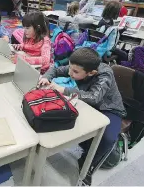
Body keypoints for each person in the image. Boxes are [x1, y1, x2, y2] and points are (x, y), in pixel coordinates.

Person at [38, 48, 126, 185]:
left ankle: (89, 165)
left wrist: (64, 90)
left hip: (109, 108)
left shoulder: (105, 74)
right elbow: (55, 69)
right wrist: (45, 77)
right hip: (88, 104)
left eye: (75, 72)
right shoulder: (79, 65)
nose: (69, 73)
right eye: (70, 68)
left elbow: (94, 97)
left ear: (92, 73)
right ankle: (86, 145)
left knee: (107, 138)